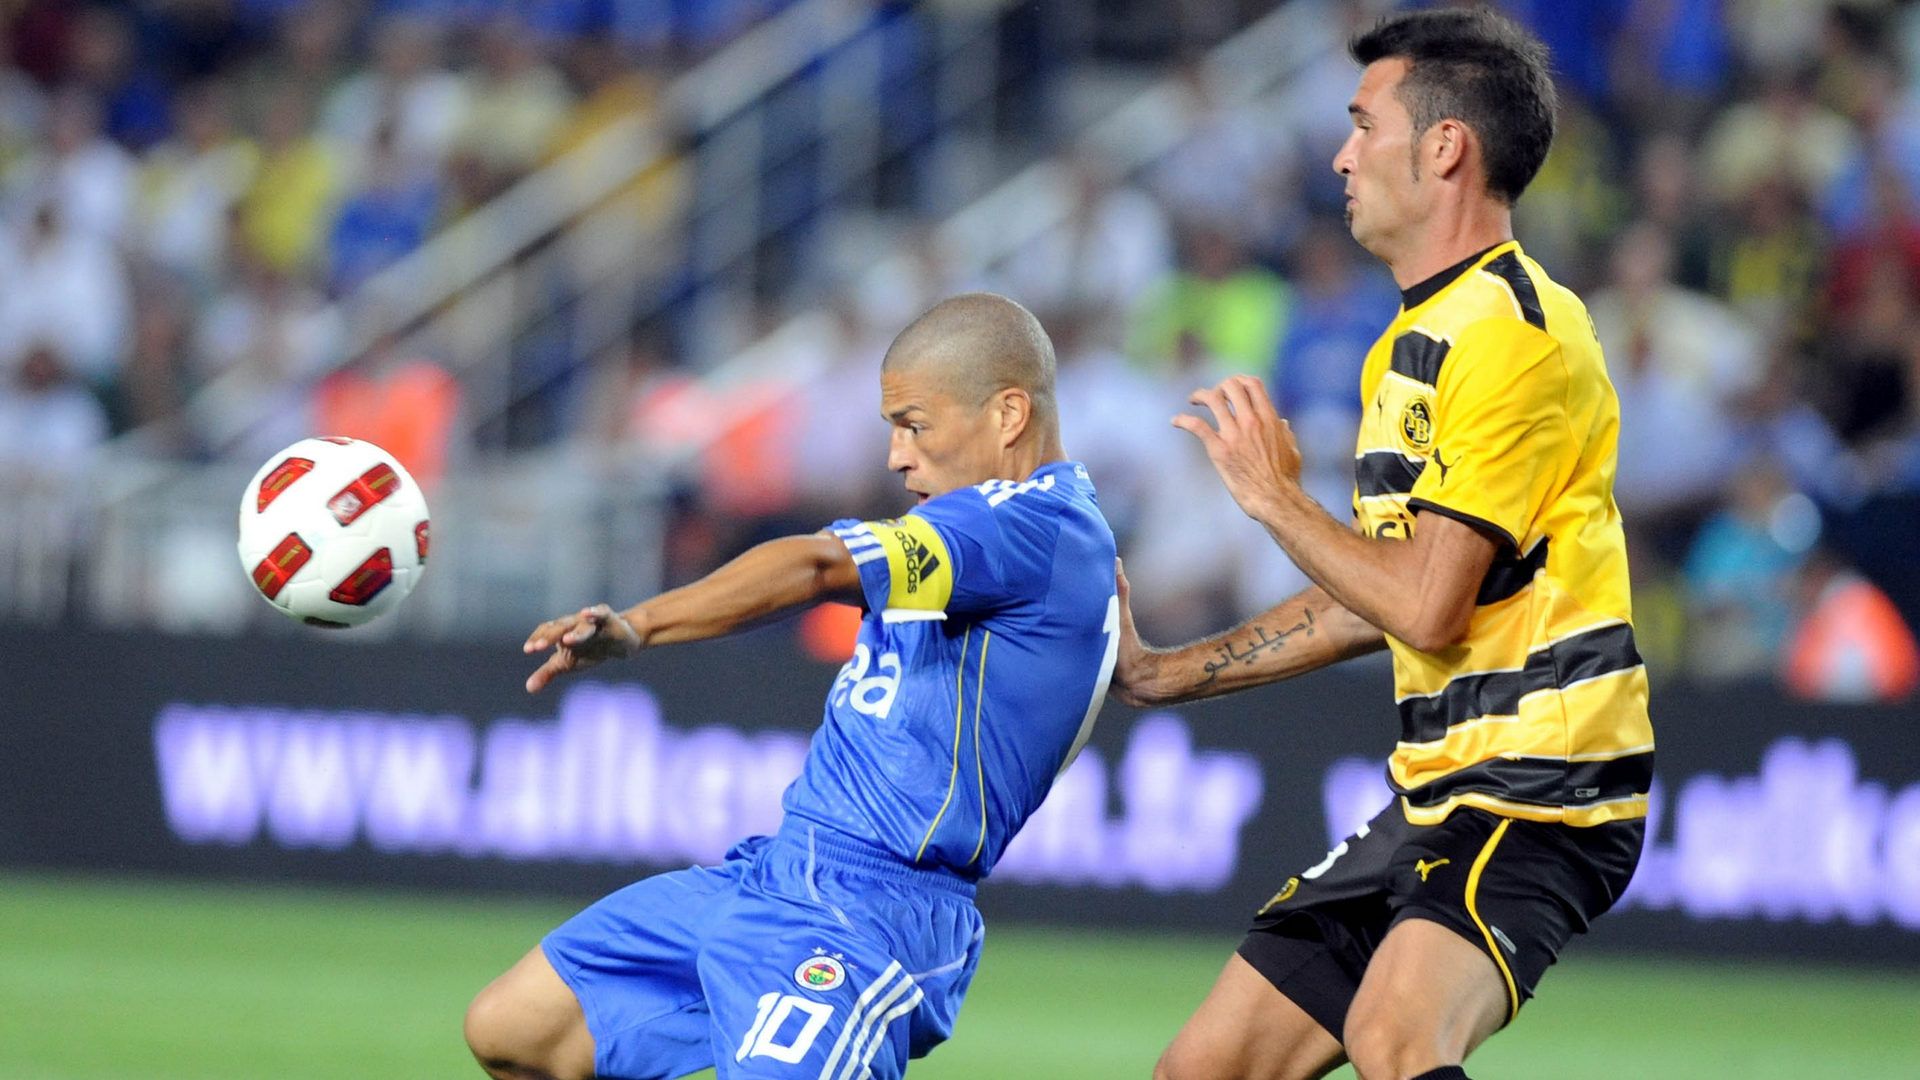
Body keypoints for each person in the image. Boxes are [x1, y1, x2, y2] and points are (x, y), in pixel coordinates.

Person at [1115, 11, 1653, 1080]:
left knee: (1394, 1038)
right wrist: (1164, 673)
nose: (1340, 154)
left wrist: (1274, 499)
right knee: (1205, 1069)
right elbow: (1379, 591)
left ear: (1445, 147)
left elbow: (1426, 607)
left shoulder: (1513, 334)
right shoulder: (1408, 346)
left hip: (1543, 780)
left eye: (1363, 126)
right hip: (1440, 789)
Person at [463, 292, 1119, 1080]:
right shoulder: (981, 531)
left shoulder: (1028, 525)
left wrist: (640, 624)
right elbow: (1122, 667)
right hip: (777, 871)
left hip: (868, 914)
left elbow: (815, 565)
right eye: (891, 430)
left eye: (915, 424)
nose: (896, 456)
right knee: (518, 1031)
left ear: (1008, 414)